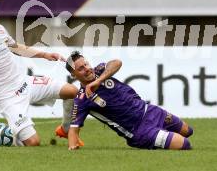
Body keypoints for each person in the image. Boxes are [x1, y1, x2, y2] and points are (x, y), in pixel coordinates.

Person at [0, 0, 82, 146]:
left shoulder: (0, 30)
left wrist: (45, 54)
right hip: (7, 98)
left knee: (74, 92)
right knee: (33, 143)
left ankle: (65, 129)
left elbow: (17, 48)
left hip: (25, 83)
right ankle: (7, 136)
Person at [65, 51, 194, 150]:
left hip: (149, 110)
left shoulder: (100, 70)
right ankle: (157, 139)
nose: (86, 68)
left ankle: (162, 138)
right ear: (73, 75)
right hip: (139, 131)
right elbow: (73, 129)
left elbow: (117, 62)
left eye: (86, 64)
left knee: (188, 131)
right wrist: (72, 146)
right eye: (80, 68)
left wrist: (98, 81)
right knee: (185, 144)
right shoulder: (82, 99)